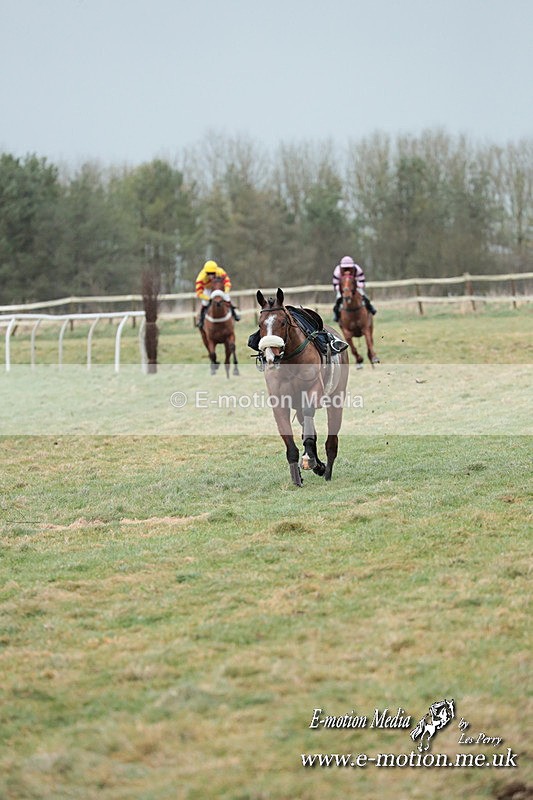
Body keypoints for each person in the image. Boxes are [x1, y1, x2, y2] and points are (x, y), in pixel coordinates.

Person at [195, 260, 241, 328]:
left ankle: (234, 314)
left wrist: (226, 291)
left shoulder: (220, 271)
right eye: (208, 273)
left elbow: (227, 282)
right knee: (205, 303)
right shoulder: (200, 278)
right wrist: (209, 298)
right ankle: (201, 320)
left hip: (218, 287)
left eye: (213, 273)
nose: (211, 276)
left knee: (227, 298)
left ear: (216, 271)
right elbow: (199, 293)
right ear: (205, 272)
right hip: (208, 289)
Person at [332, 255, 377, 321]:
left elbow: (362, 281)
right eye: (345, 267)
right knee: (338, 299)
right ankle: (337, 315)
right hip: (342, 289)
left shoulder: (357, 269)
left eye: (349, 267)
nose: (347, 269)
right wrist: (344, 288)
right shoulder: (337, 270)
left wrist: (355, 285)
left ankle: (370, 308)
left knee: (364, 296)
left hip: (355, 288)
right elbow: (335, 284)